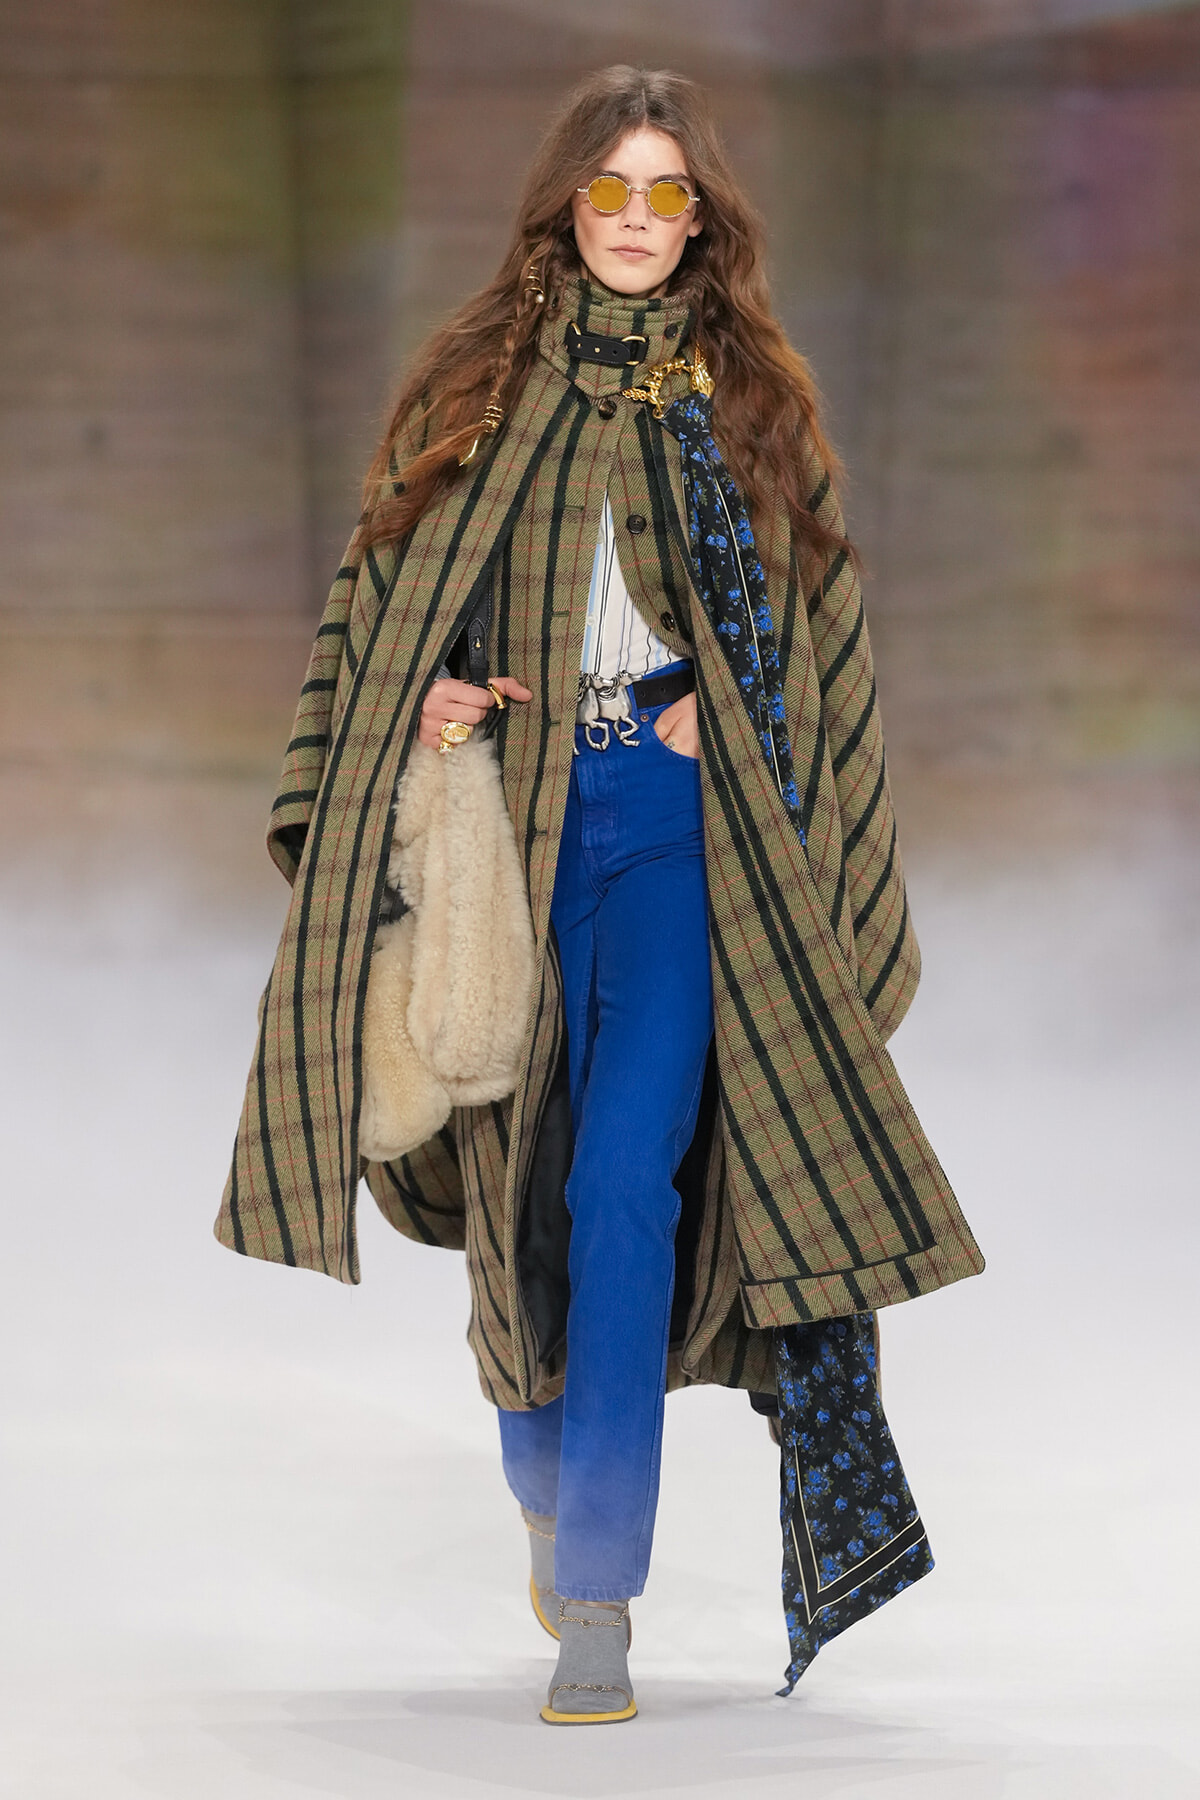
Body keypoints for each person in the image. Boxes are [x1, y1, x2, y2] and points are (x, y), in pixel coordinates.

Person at [217, 64, 984, 1725]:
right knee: (525, 1195)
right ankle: (548, 1489)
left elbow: (819, 638)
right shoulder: (472, 388)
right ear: (567, 207)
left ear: (702, 219)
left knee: (628, 1181)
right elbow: (379, 601)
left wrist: (738, 704)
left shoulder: (755, 403)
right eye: (610, 190)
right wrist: (428, 693)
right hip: (509, 830)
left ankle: (598, 1594)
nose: (637, 220)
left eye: (666, 193)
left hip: (680, 835)